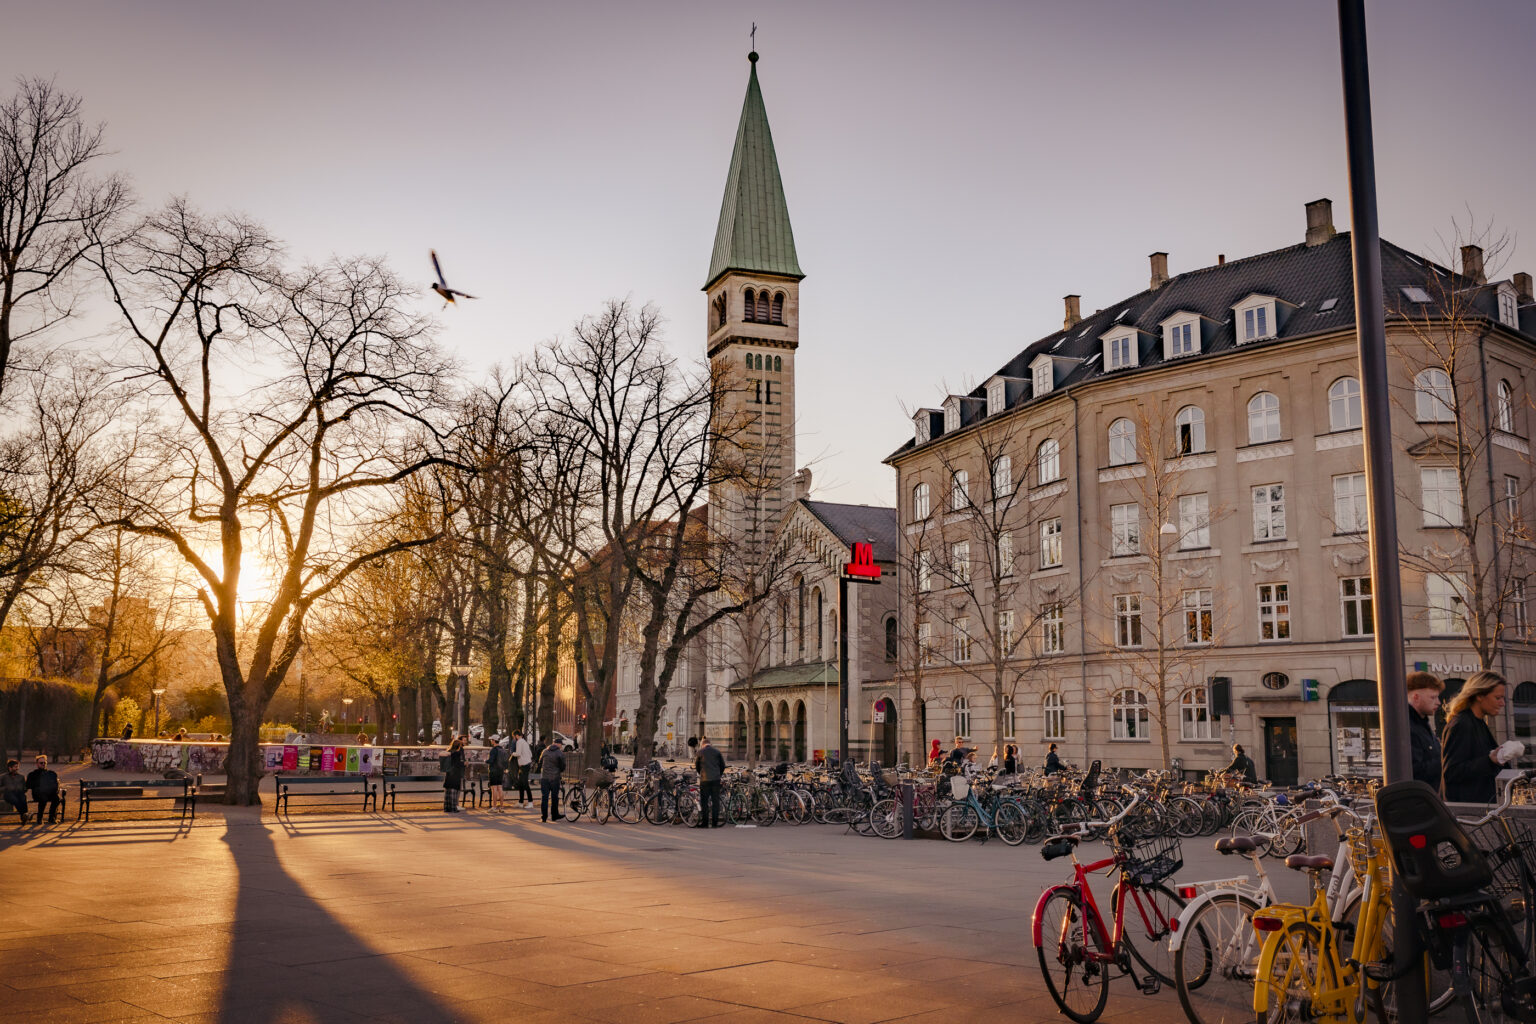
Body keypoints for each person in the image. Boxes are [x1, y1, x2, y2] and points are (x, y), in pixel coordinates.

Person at [1442, 670, 1519, 803]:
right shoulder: (1462, 724)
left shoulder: (1477, 722)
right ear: (1479, 695)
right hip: (1470, 813)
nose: (1502, 703)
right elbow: (1451, 772)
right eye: (1498, 698)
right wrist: (1490, 760)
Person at [1406, 670, 1445, 791]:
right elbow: (1414, 771)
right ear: (1416, 697)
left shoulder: (1422, 723)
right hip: (1419, 799)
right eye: (1433, 697)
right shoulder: (1407, 726)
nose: (1438, 702)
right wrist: (1445, 759)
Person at [695, 736, 726, 828]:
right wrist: (718, 774)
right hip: (716, 780)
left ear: (702, 744)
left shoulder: (700, 752)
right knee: (715, 801)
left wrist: (701, 773)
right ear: (710, 744)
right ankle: (714, 823)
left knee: (704, 802)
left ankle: (705, 823)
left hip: (705, 780)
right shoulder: (717, 752)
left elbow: (697, 766)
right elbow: (722, 765)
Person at [25, 755, 61, 825]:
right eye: (41, 763)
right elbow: (28, 785)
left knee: (57, 799)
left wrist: (53, 790)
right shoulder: (33, 774)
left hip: (49, 793)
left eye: (45, 763)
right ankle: (39, 818)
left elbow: (55, 784)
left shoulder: (51, 773)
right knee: (43, 798)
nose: (43, 764)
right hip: (38, 794)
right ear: (37, 764)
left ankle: (52, 818)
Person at [538, 735, 566, 822]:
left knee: (544, 797)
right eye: (561, 744)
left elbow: (540, 762)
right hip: (555, 778)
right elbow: (562, 767)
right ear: (558, 744)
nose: (561, 746)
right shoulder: (560, 753)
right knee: (554, 798)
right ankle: (554, 816)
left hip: (544, 778)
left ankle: (544, 817)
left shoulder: (545, 751)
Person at [442, 737, 465, 813]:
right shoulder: (457, 753)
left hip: (449, 774)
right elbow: (457, 763)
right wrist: (464, 763)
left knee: (448, 790)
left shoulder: (449, 751)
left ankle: (447, 807)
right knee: (454, 791)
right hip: (455, 774)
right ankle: (453, 808)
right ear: (458, 746)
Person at [513, 730, 534, 808]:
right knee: (521, 784)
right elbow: (530, 754)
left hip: (523, 765)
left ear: (516, 735)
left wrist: (512, 753)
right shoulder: (525, 742)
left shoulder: (519, 742)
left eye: (514, 737)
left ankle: (530, 802)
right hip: (526, 764)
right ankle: (521, 802)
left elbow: (518, 753)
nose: (514, 738)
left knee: (524, 784)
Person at [486, 735, 508, 810]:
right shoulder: (502, 749)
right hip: (500, 771)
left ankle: (494, 806)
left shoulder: (493, 750)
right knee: (500, 788)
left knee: (494, 789)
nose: (490, 741)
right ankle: (501, 806)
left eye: (491, 740)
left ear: (493, 741)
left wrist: (485, 760)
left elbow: (491, 761)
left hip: (493, 771)